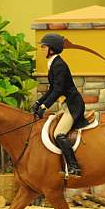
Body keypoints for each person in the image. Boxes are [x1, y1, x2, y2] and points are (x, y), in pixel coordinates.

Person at [31, 33, 89, 177]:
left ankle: (74, 167)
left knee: (58, 133)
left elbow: (58, 89)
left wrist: (45, 107)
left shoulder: (59, 65)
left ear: (52, 48)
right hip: (66, 105)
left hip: (73, 106)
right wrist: (39, 102)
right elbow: (52, 88)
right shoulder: (53, 63)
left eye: (44, 47)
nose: (42, 49)